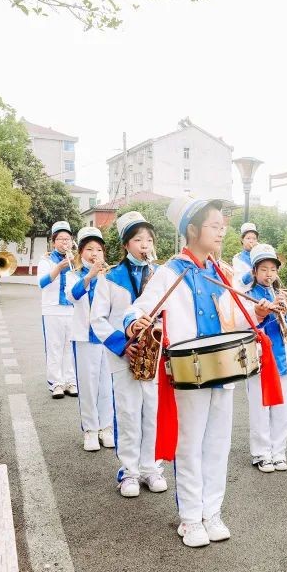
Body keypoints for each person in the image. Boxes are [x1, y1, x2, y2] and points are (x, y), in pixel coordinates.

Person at [125, 196, 273, 548]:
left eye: (223, 226)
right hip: (188, 372)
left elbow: (236, 318)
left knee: (218, 444)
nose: (222, 232)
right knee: (190, 445)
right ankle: (191, 518)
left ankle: (212, 512)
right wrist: (135, 322)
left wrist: (260, 314)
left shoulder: (223, 273)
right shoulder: (170, 272)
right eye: (214, 226)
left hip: (224, 368)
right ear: (192, 229)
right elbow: (139, 309)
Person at [90, 212, 165, 496]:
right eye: (137, 239)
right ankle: (129, 471)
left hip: (154, 354)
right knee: (128, 411)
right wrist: (124, 345)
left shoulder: (159, 275)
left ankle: (150, 467)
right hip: (123, 354)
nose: (144, 244)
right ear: (125, 244)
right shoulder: (110, 277)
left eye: (148, 239)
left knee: (152, 411)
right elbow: (97, 319)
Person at [244, 243, 287, 472]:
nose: (269, 274)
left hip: (282, 357)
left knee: (283, 410)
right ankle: (261, 453)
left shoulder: (282, 295)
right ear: (255, 272)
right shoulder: (247, 296)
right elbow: (247, 327)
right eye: (263, 269)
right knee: (260, 408)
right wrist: (263, 314)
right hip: (259, 358)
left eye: (272, 270)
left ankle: (279, 451)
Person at [70, 226, 116, 453]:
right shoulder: (74, 275)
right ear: (81, 253)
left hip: (107, 339)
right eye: (89, 249)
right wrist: (90, 275)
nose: (94, 253)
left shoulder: (110, 276)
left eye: (99, 249)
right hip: (85, 338)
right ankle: (90, 429)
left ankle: (106, 427)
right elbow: (73, 295)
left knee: (106, 385)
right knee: (88, 385)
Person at [38, 221, 79, 399]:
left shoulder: (76, 260)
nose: (65, 242)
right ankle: (56, 383)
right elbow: (42, 283)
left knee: (71, 347)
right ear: (53, 241)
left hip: (73, 309)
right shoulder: (46, 260)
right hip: (52, 309)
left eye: (68, 239)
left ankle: (71, 380)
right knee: (54, 347)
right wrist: (58, 267)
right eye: (61, 239)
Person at [232, 221, 258, 291]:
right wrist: (252, 273)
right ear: (242, 240)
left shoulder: (259, 256)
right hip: (247, 296)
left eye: (254, 238)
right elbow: (239, 283)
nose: (251, 241)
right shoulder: (237, 259)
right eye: (248, 238)